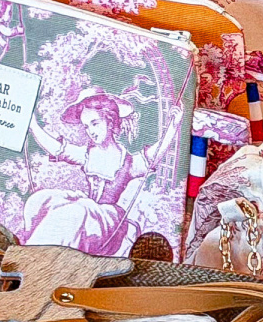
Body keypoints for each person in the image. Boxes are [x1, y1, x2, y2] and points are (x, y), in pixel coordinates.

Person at [20, 88, 178, 254]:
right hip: (88, 213)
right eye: (86, 126)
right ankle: (32, 251)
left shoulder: (128, 162)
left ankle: (37, 255)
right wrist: (33, 125)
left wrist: (173, 127)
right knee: (40, 200)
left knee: (77, 212)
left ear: (109, 122)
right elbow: (58, 149)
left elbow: (154, 154)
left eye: (95, 123)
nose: (91, 131)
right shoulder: (87, 154)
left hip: (110, 223)